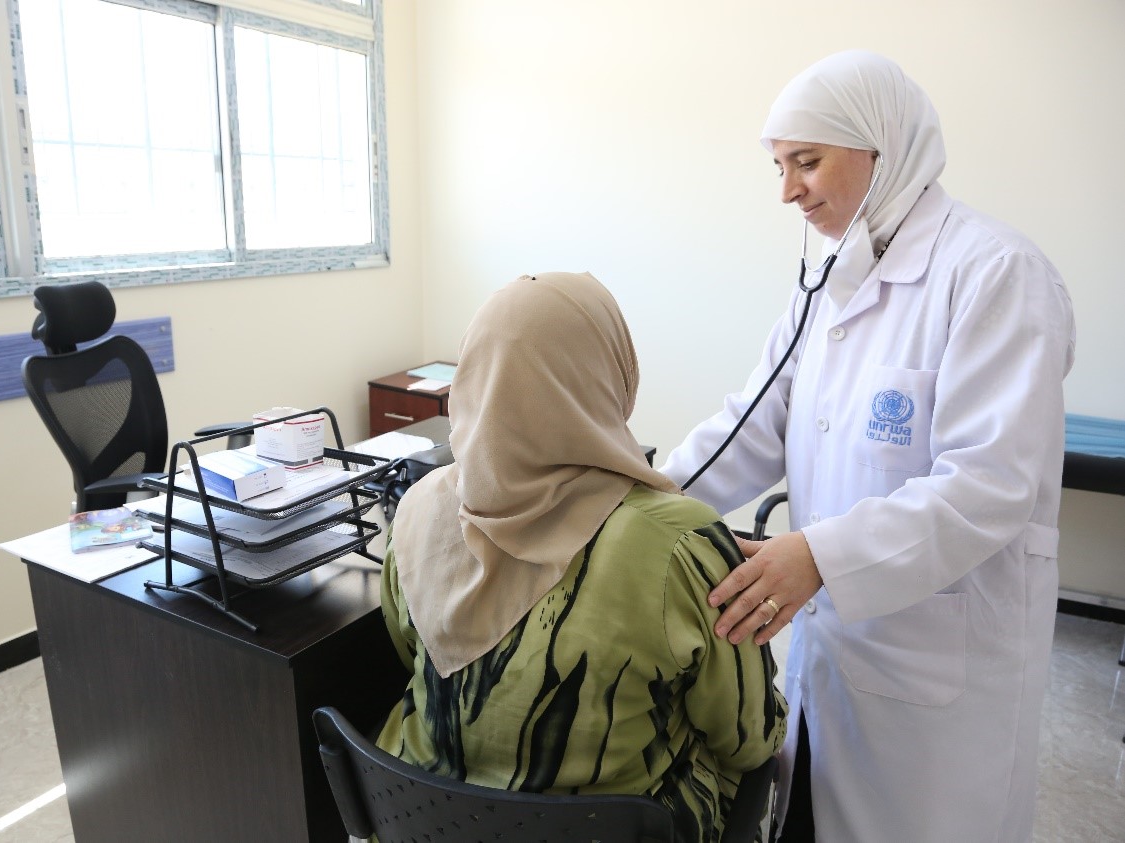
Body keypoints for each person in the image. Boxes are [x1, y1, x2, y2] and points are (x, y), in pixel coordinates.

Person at [661, 51, 1076, 842]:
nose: (788, 191)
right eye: (779, 167)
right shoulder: (827, 279)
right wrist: (640, 499)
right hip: (836, 645)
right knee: (811, 810)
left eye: (806, 161)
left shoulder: (995, 272)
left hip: (941, 670)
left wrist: (818, 556)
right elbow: (755, 419)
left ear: (881, 149)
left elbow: (988, 484)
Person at [375, 272, 788, 842]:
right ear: (610, 375)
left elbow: (408, 650)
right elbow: (749, 739)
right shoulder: (681, 545)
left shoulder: (416, 509)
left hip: (425, 824)